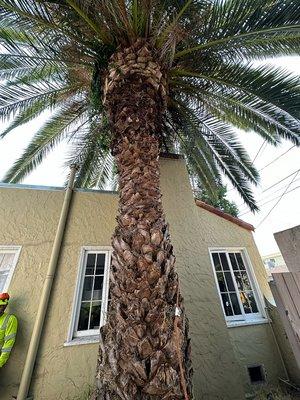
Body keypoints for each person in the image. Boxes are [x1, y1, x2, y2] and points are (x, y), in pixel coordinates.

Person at [0, 293, 18, 368]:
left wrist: (0, 362)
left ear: (5, 306)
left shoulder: (10, 319)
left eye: (1, 306)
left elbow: (8, 343)